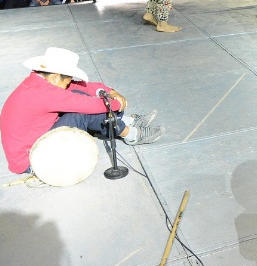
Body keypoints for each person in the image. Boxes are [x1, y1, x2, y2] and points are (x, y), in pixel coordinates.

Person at [0, 47, 165, 175]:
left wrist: (111, 92)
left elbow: (83, 87)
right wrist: (116, 103)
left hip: (33, 145)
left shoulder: (39, 81)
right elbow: (90, 105)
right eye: (68, 79)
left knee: (79, 96)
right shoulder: (45, 93)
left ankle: (126, 121)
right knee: (83, 113)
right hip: (34, 160)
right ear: (56, 76)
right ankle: (131, 134)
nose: (70, 82)